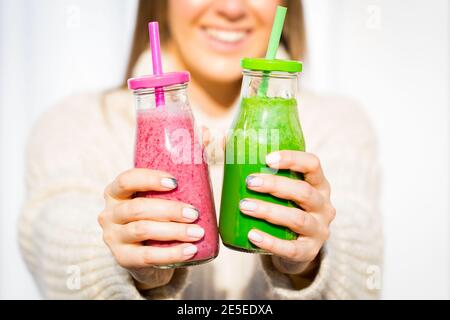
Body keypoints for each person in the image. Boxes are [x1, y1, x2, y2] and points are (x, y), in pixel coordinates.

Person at [19, 0, 382, 299]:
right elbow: (55, 232)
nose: (231, 7)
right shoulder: (78, 121)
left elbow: (360, 244)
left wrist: (312, 261)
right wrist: (123, 261)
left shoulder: (338, 121)